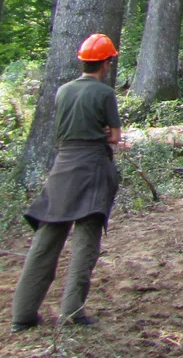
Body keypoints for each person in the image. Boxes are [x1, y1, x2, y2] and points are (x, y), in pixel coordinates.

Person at [12, 34, 122, 332]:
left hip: (62, 167)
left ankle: (22, 315)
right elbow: (114, 136)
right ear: (107, 63)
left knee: (46, 241)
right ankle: (73, 311)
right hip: (92, 168)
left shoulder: (63, 91)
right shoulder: (104, 93)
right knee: (86, 240)